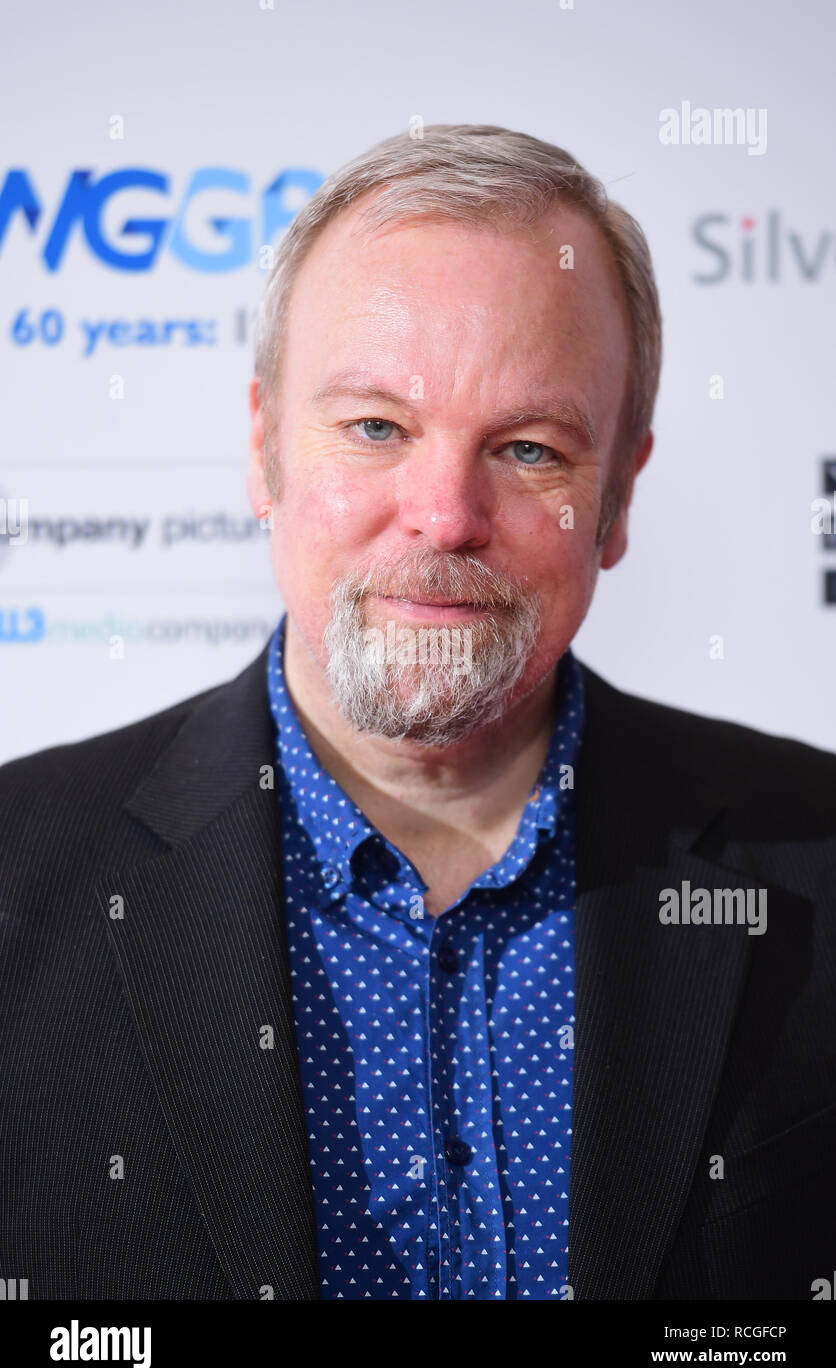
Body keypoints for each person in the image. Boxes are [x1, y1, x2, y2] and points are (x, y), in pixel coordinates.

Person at [1, 124, 834, 1302]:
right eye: (376, 428)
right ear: (262, 449)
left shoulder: (813, 853)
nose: (443, 513)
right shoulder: (16, 877)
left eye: (528, 446)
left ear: (616, 498)